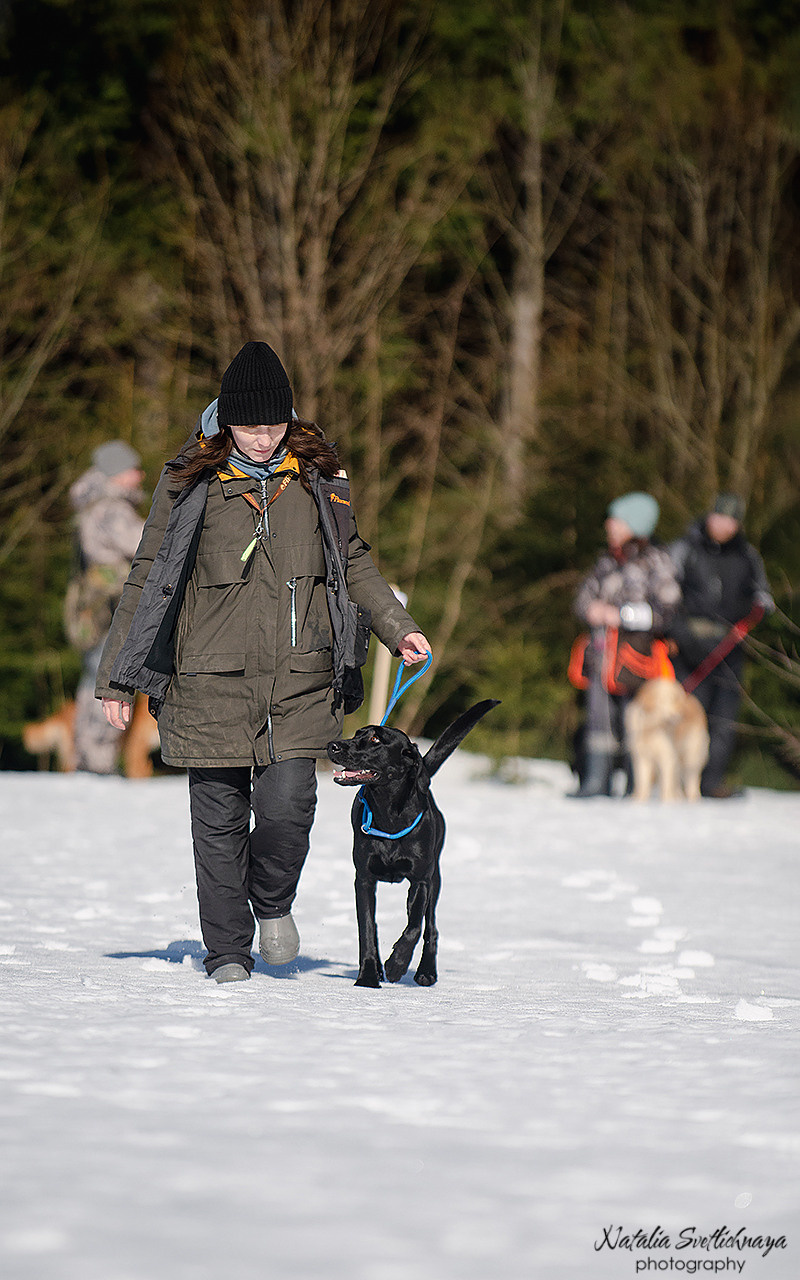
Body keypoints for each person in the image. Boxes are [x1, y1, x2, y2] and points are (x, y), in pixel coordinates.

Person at [95, 341, 431, 983]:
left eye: (273, 425)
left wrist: (397, 627)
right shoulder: (189, 483)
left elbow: (352, 561)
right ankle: (227, 950)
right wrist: (119, 676)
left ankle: (272, 905)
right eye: (248, 426)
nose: (261, 437)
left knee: (287, 809)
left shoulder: (316, 479)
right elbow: (149, 578)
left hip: (301, 680)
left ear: (289, 419)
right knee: (217, 819)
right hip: (205, 681)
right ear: (225, 421)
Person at [570, 491, 681, 798]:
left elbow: (667, 611)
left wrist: (619, 615)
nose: (609, 525)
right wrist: (589, 609)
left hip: (637, 657)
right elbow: (582, 598)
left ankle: (637, 784)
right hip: (600, 656)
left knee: (638, 721)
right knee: (597, 720)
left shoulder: (657, 561)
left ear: (635, 525)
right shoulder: (606, 559)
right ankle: (596, 781)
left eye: (617, 520)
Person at [669, 494, 774, 799]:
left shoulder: (746, 555)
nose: (723, 525)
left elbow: (761, 593)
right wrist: (680, 635)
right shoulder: (685, 548)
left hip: (730, 645)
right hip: (689, 643)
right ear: (709, 516)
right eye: (719, 518)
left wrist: (762, 605)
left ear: (737, 524)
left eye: (731, 521)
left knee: (723, 718)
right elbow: (666, 592)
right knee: (686, 715)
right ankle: (676, 780)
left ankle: (710, 782)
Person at [65, 441, 146, 773]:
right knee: (109, 677)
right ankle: (97, 761)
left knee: (93, 677)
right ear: (116, 473)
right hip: (110, 605)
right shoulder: (111, 509)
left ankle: (88, 758)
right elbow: (144, 543)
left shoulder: (91, 505)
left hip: (93, 605)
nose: (139, 476)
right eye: (132, 470)